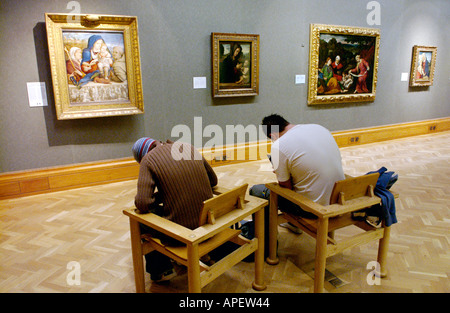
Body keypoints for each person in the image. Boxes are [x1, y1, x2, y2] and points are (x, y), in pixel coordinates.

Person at [132, 137, 218, 282]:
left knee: (140, 219)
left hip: (183, 233)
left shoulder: (148, 160)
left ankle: (162, 270)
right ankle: (204, 255)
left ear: (142, 156)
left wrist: (160, 196)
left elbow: (142, 203)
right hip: (209, 223)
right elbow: (213, 181)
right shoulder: (187, 147)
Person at [250, 114, 345, 234]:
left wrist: (280, 173)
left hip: (312, 209)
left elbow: (286, 188)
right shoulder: (318, 127)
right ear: (285, 123)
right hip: (339, 199)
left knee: (257, 191)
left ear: (272, 135)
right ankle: (292, 224)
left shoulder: (279, 146)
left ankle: (266, 244)